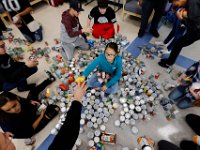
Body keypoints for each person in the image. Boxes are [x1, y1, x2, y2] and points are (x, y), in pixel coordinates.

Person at [0, 82, 87, 150]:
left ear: (17, 98)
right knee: (55, 109)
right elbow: (29, 131)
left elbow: (24, 102)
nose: (8, 134)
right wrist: (41, 116)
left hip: (27, 115)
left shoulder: (19, 101)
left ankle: (48, 80)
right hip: (29, 127)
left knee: (33, 95)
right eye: (8, 110)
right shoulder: (9, 125)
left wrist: (29, 102)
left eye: (14, 105)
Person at [158, 0, 200, 68]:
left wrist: (181, 19)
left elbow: (195, 26)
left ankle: (168, 63)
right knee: (178, 44)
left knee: (178, 44)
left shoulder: (192, 4)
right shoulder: (190, 3)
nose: (174, 4)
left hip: (196, 32)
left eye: (174, 2)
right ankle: (169, 62)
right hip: (194, 28)